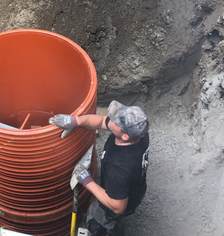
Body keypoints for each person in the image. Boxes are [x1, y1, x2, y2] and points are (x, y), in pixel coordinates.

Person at [49, 101, 149, 236]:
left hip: (116, 202)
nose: (110, 120)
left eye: (115, 122)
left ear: (125, 136)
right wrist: (75, 121)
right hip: (134, 187)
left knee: (99, 223)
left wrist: (87, 181)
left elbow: (118, 207)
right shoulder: (140, 134)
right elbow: (102, 121)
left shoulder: (119, 168)